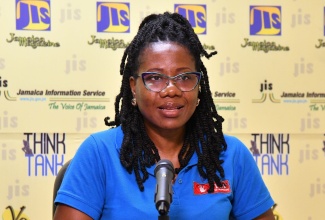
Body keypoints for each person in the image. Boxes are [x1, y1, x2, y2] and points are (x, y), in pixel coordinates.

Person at [54, 12, 275, 220]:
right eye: (155, 78)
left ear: (199, 86)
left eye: (185, 77)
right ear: (133, 87)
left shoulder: (231, 155)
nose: (171, 89)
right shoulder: (99, 153)